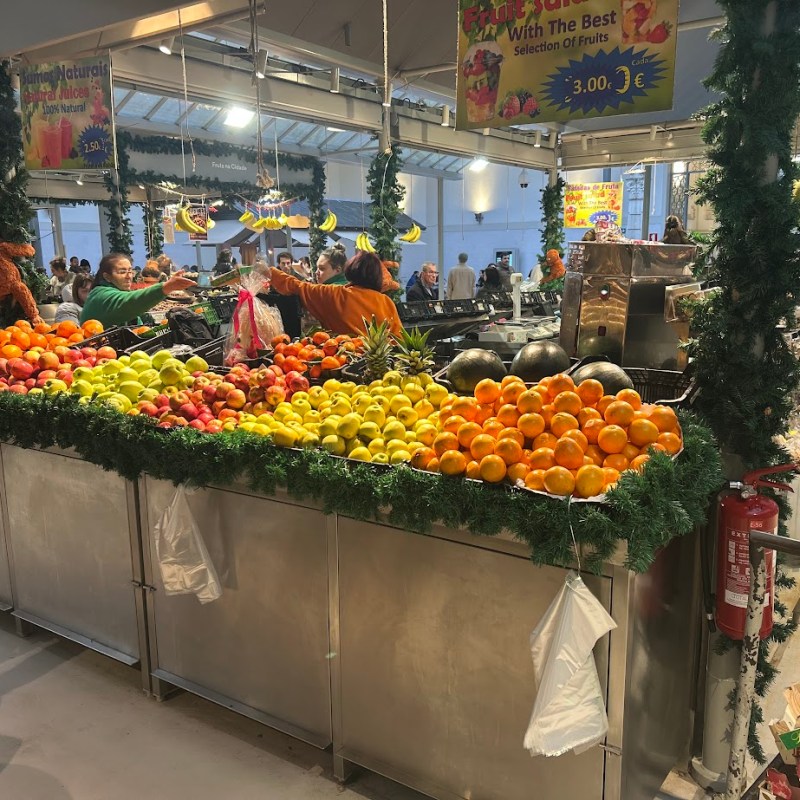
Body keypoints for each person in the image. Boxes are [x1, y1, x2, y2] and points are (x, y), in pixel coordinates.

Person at [269, 251, 401, 336]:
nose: (317, 272)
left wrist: (270, 272)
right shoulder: (386, 302)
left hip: (340, 363)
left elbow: (296, 286)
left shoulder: (335, 294)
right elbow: (398, 338)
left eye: (322, 268)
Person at [80, 252, 196, 327]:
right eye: (122, 272)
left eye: (130, 271)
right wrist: (166, 287)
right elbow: (129, 302)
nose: (128, 276)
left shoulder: (120, 290)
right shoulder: (100, 295)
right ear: (107, 277)